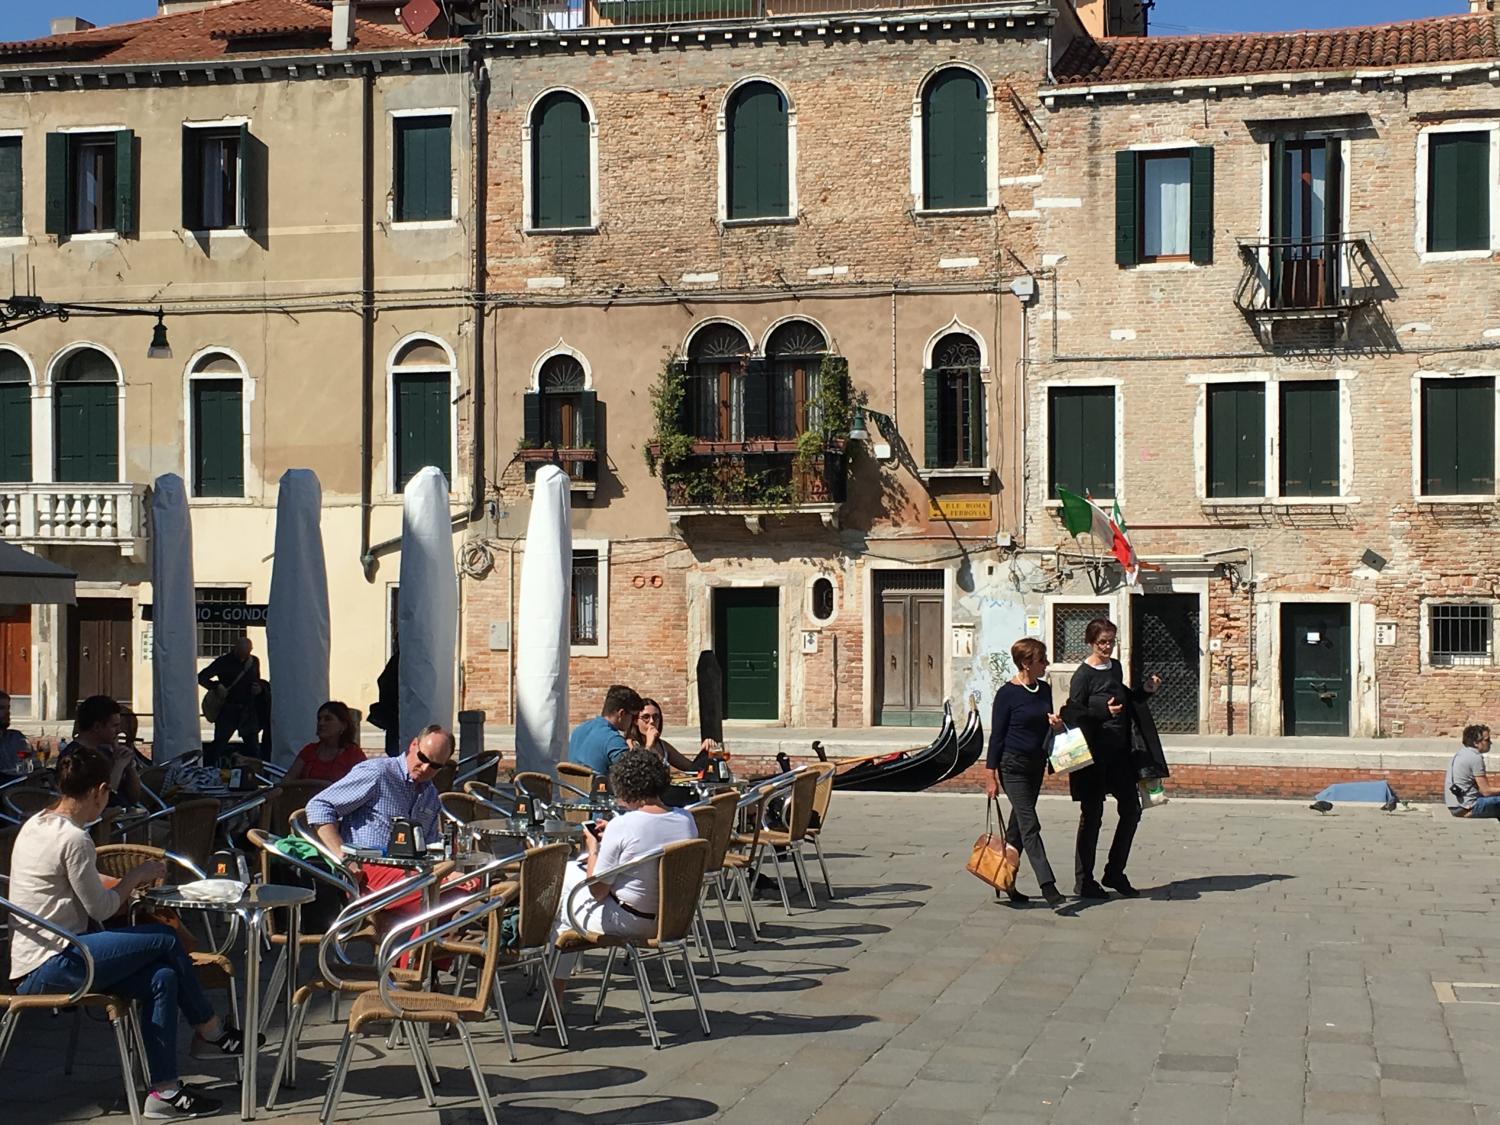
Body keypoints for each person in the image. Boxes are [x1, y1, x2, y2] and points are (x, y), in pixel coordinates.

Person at [9, 747, 250, 1118]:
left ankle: (164, 1092)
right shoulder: (75, 839)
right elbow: (102, 909)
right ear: (100, 790)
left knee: (164, 976)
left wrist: (117, 884)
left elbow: (67, 887)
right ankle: (211, 1030)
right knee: (166, 939)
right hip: (57, 963)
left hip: (37, 956)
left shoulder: (36, 823)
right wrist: (135, 876)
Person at [550, 748, 698, 996]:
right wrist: (613, 837)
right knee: (566, 878)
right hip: (671, 920)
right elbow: (646, 840)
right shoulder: (686, 819)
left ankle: (552, 996)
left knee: (560, 899)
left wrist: (593, 848)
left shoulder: (624, 824)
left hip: (629, 920)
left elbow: (597, 891)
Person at [1059, 618, 1161, 900]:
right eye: (1102, 642)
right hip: (1093, 755)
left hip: (1119, 753)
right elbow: (1072, 713)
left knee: (1132, 810)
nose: (1107, 647)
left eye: (1111, 641)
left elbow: (1125, 699)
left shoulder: (1115, 667)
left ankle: (1115, 872)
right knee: (1092, 817)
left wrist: (1145, 691)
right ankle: (1084, 881)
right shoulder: (1082, 675)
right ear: (1091, 642)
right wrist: (1103, 712)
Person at [305, 724, 454, 898]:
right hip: (369, 871)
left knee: (471, 885)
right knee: (445, 894)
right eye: (423, 757)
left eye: (435, 765)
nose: (426, 768)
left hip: (412, 873)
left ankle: (391, 924)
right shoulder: (378, 773)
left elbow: (430, 847)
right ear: (413, 744)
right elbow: (319, 806)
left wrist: (449, 872)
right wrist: (343, 857)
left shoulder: (430, 794)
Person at [985, 638, 1066, 908]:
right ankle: (1048, 885)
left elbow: (1042, 723)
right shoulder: (1006, 694)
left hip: (1035, 765)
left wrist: (1054, 725)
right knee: (1030, 824)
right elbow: (997, 737)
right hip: (1013, 766)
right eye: (1041, 660)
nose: (1046, 664)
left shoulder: (1043, 689)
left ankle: (1004, 880)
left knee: (1017, 828)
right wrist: (990, 775)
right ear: (1026, 664)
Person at [68, 694, 141, 807]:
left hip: (127, 816)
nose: (118, 730)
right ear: (97, 727)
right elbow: (98, 801)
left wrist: (129, 766)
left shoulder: (106, 751)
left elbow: (134, 797)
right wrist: (119, 766)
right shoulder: (76, 757)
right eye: (114, 726)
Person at [197, 636, 263, 760]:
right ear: (235, 649)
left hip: (247, 709)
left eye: (247, 653)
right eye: (241, 654)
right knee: (219, 745)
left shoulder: (254, 661)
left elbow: (257, 680)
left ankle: (256, 775)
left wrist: (258, 688)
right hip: (228, 708)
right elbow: (202, 677)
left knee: (253, 747)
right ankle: (208, 768)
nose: (244, 657)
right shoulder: (223, 662)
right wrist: (216, 686)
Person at [568, 684, 642, 777]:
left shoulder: (578, 730)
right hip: (598, 790)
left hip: (571, 789)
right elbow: (634, 777)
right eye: (634, 716)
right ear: (621, 713)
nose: (635, 722)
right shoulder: (614, 740)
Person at [284, 701, 366, 784]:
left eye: (328, 719)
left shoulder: (353, 754)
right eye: (319, 719)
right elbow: (288, 780)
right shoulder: (310, 750)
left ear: (343, 725)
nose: (321, 723)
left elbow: (362, 785)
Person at [631, 699, 707, 774]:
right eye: (646, 717)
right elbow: (637, 772)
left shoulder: (662, 746)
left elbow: (691, 768)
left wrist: (706, 752)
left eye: (656, 717)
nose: (652, 721)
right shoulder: (631, 744)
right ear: (636, 721)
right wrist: (649, 745)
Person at [1445, 724, 1497, 817]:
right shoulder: (1475, 757)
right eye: (1487, 740)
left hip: (1454, 805)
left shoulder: (1461, 753)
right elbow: (1486, 791)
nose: (1490, 743)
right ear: (1476, 743)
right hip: (1467, 807)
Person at [368, 645, 401, 759]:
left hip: (395, 717)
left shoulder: (400, 660)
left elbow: (384, 681)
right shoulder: (400, 660)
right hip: (396, 717)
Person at [0, 689, 31, 777]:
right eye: (1, 708)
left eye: (8, 708)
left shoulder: (17, 738)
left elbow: (36, 767)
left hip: (22, 788)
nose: (7, 712)